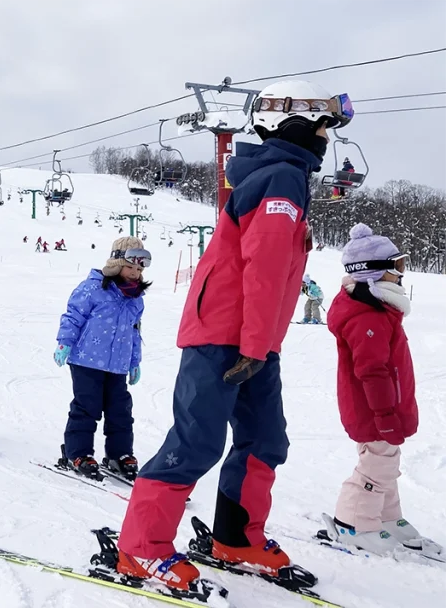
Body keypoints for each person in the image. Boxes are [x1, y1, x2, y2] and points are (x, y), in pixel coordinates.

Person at [117, 80, 351, 592]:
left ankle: (236, 538)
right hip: (225, 334)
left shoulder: (285, 177)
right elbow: (264, 266)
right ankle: (140, 547)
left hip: (255, 339)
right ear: (291, 124)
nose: (325, 139)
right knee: (197, 440)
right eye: (322, 128)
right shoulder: (281, 178)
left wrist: (262, 344)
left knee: (266, 438)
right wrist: (254, 345)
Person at [321, 224, 441, 559]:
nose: (401, 274)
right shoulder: (367, 316)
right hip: (373, 408)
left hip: (384, 406)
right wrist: (385, 415)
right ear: (371, 271)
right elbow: (372, 372)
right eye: (396, 266)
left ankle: (387, 517)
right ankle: (353, 523)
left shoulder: (379, 308)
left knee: (386, 461)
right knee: (376, 464)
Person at [55, 236, 149, 482]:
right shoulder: (93, 288)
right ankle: (78, 453)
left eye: (139, 270)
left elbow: (135, 332)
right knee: (87, 406)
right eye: (130, 267)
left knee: (120, 410)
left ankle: (120, 454)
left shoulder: (135, 299)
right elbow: (73, 316)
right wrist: (65, 342)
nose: (135, 273)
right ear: (116, 264)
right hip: (86, 360)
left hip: (118, 365)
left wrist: (134, 362)